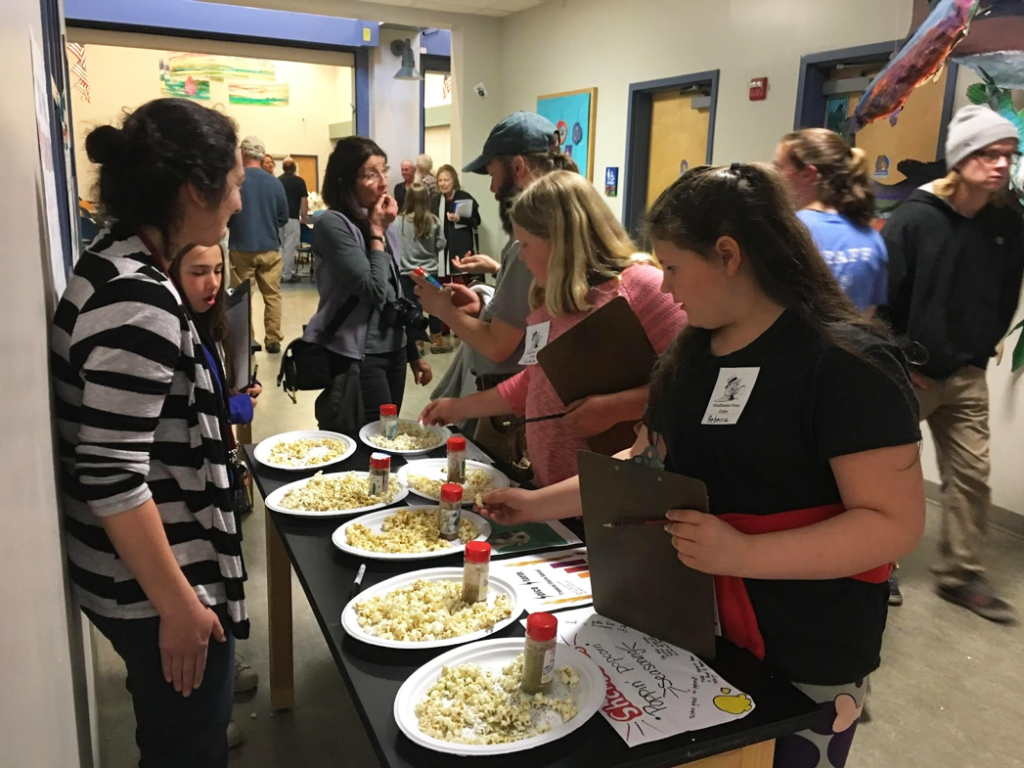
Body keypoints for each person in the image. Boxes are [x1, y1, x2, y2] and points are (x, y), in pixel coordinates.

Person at [477, 163, 926, 768]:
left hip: (804, 648)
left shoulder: (845, 364)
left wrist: (743, 555)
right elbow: (640, 463)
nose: (665, 286)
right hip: (685, 626)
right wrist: (534, 504)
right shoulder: (689, 357)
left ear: (728, 254)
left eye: (673, 266)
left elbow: (892, 523)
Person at [51, 98, 251, 767]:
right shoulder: (136, 301)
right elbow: (110, 473)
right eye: (235, 186)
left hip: (152, 579)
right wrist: (181, 608)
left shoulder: (118, 263)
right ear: (196, 189)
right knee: (186, 752)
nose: (238, 205)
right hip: (157, 590)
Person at [421, 171, 687, 487]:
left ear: (559, 242)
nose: (520, 256)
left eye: (526, 244)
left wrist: (614, 408)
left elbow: (689, 386)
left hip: (617, 491)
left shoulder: (644, 287)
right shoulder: (555, 299)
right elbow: (535, 380)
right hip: (553, 491)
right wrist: (461, 407)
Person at [882, 104, 1023, 622]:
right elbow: (883, 298)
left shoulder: (1008, 224)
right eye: (988, 154)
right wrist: (901, 357)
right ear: (960, 159)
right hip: (906, 374)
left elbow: (1005, 295)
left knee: (971, 474)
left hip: (965, 374)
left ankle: (961, 574)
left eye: (1008, 154)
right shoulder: (915, 220)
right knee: (884, 477)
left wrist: (978, 354)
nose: (1001, 164)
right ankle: (877, 567)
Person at [410, 111, 576, 474]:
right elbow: (534, 310)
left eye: (492, 174)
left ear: (517, 167)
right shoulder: (556, 235)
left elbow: (500, 345)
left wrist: (444, 311)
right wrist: (489, 294)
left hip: (507, 410)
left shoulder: (530, 244)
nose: (490, 188)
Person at [303, 136, 433, 431]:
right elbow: (372, 290)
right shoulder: (333, 225)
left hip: (394, 350)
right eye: (371, 174)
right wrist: (376, 231)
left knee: (387, 434)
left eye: (384, 170)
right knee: (370, 441)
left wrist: (412, 353)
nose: (384, 182)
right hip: (359, 356)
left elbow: (393, 293)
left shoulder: (382, 223)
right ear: (346, 181)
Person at [774, 128, 887, 313]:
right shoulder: (871, 239)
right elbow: (868, 316)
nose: (775, 176)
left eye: (779, 167)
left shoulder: (787, 231)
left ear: (807, 174)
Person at [228, 135, 288, 353]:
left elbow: (227, 214)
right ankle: (273, 339)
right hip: (270, 247)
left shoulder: (235, 181)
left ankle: (248, 340)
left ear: (242, 153)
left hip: (241, 247)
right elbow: (283, 217)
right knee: (273, 296)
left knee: (243, 297)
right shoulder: (275, 183)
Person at [430, 164, 482, 352]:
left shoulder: (464, 198)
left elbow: (476, 221)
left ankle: (461, 326)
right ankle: (443, 326)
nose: (443, 183)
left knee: (461, 288)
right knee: (442, 288)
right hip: (440, 253)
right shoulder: (434, 201)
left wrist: (460, 220)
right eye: (440, 180)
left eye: (446, 180)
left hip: (460, 249)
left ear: (454, 181)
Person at [396, 182, 446, 353]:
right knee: (435, 304)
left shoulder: (399, 221)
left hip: (407, 272)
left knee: (412, 306)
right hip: (429, 271)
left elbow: (394, 244)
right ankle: (437, 340)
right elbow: (441, 244)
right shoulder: (434, 221)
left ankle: (417, 342)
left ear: (407, 199)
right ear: (426, 199)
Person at [278, 157, 309, 284]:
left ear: (283, 168)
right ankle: (287, 275)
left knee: (279, 247)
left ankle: (278, 273)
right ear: (295, 168)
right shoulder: (299, 181)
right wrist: (304, 217)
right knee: (290, 247)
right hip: (292, 218)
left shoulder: (277, 181)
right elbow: (304, 201)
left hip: (278, 218)